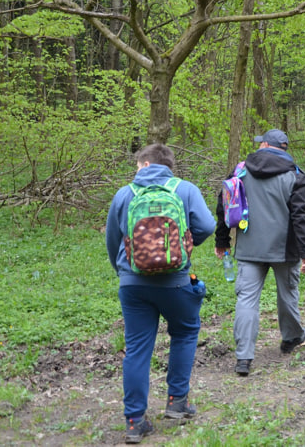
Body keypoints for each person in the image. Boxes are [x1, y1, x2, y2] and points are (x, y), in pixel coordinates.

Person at [105, 144, 216, 444]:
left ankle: (134, 421)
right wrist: (185, 245)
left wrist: (124, 271)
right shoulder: (185, 189)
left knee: (137, 347)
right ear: (168, 166)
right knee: (185, 331)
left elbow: (112, 239)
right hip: (177, 281)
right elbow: (207, 225)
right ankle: (177, 402)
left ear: (144, 163)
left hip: (133, 283)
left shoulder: (124, 193)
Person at [214, 129, 305, 377]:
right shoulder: (295, 175)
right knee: (288, 294)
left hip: (249, 248)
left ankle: (244, 358)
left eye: (261, 143)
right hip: (285, 249)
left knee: (246, 300)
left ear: (266, 144)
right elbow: (301, 215)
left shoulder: (241, 171)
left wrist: (222, 239)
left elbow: (224, 204)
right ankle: (291, 338)